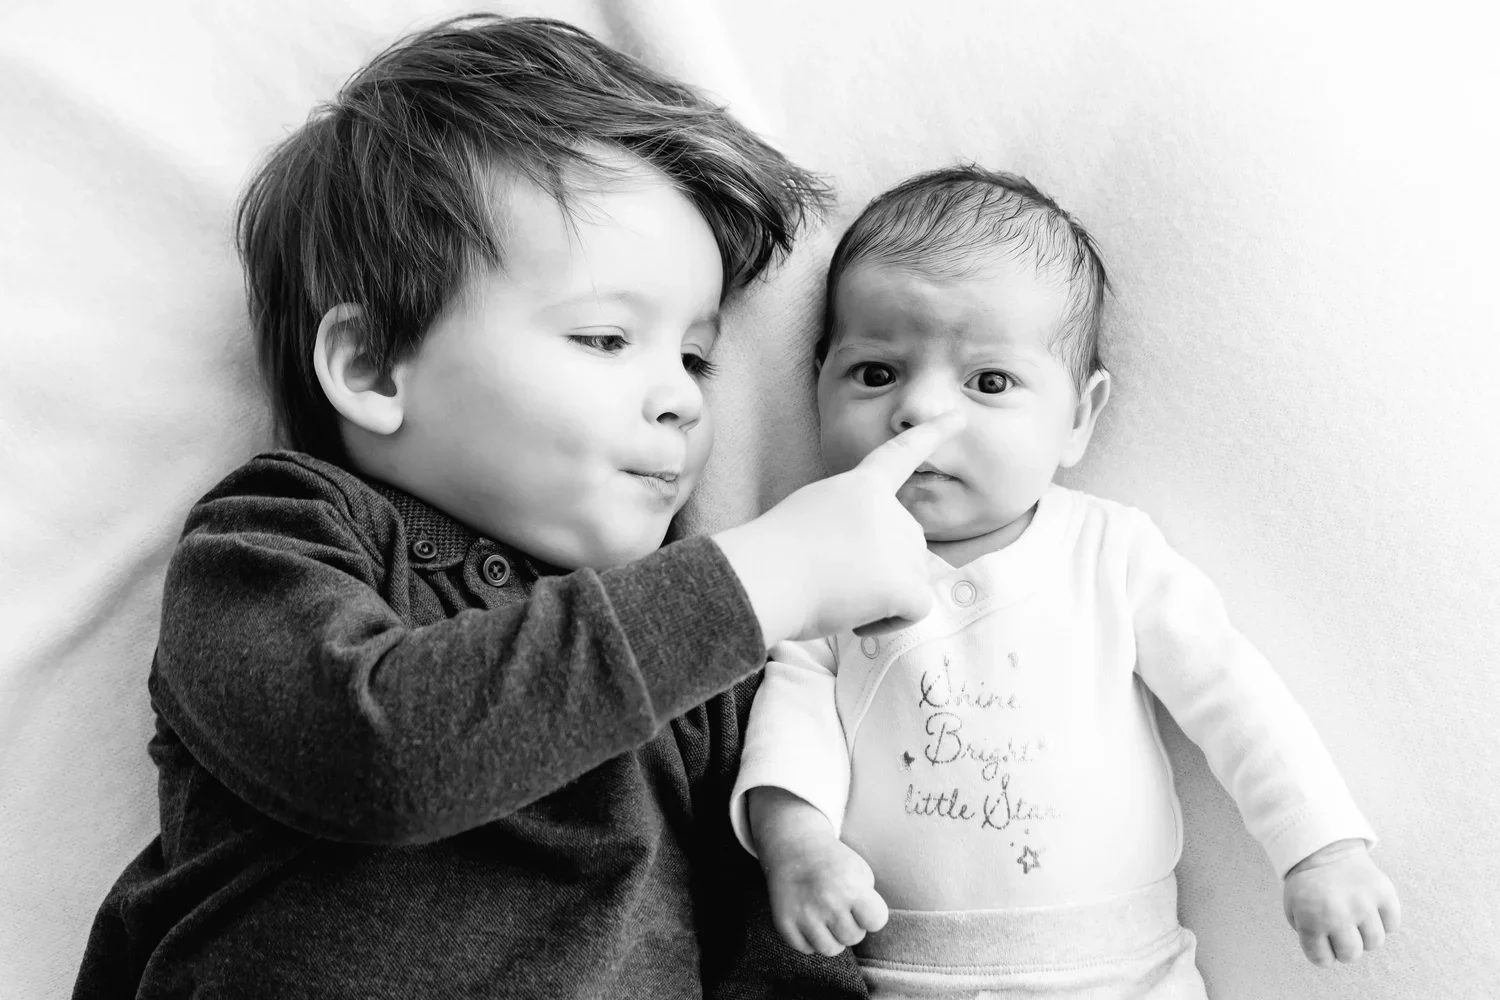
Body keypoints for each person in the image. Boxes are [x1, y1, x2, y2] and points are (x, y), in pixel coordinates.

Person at [72, 15, 963, 999]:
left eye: (697, 356)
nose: (682, 397)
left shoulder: (701, 670)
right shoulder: (278, 537)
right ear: (372, 365)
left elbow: (770, 931)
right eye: (604, 338)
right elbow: (379, 755)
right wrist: (768, 576)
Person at [731, 165, 1402, 997]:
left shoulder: (1109, 554)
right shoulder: (826, 567)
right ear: (817, 387)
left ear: (1078, 418)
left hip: (1126, 971)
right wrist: (799, 848)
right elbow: (790, 724)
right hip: (901, 971)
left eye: (988, 382)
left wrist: (1322, 846)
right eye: (876, 373)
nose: (920, 412)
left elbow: (1233, 697)